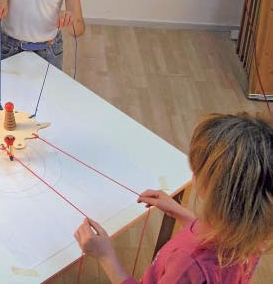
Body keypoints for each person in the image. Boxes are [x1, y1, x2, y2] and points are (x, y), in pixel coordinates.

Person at [74, 112, 273, 283]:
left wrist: (106, 256)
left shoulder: (188, 266)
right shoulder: (254, 233)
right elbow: (217, 236)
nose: (193, 175)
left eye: (197, 171)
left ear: (215, 193)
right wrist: (179, 212)